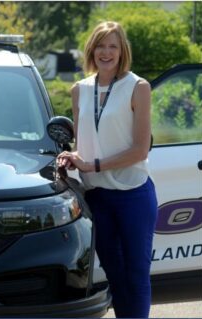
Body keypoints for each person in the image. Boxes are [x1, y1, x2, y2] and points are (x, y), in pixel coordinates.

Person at [57, 21, 157, 318]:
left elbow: (140, 149)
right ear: (92, 50)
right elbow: (87, 143)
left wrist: (93, 164)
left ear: (122, 50)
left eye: (113, 46)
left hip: (133, 195)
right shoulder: (80, 90)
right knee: (115, 275)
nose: (106, 52)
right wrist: (71, 156)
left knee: (137, 276)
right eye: (100, 45)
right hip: (97, 196)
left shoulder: (138, 87)